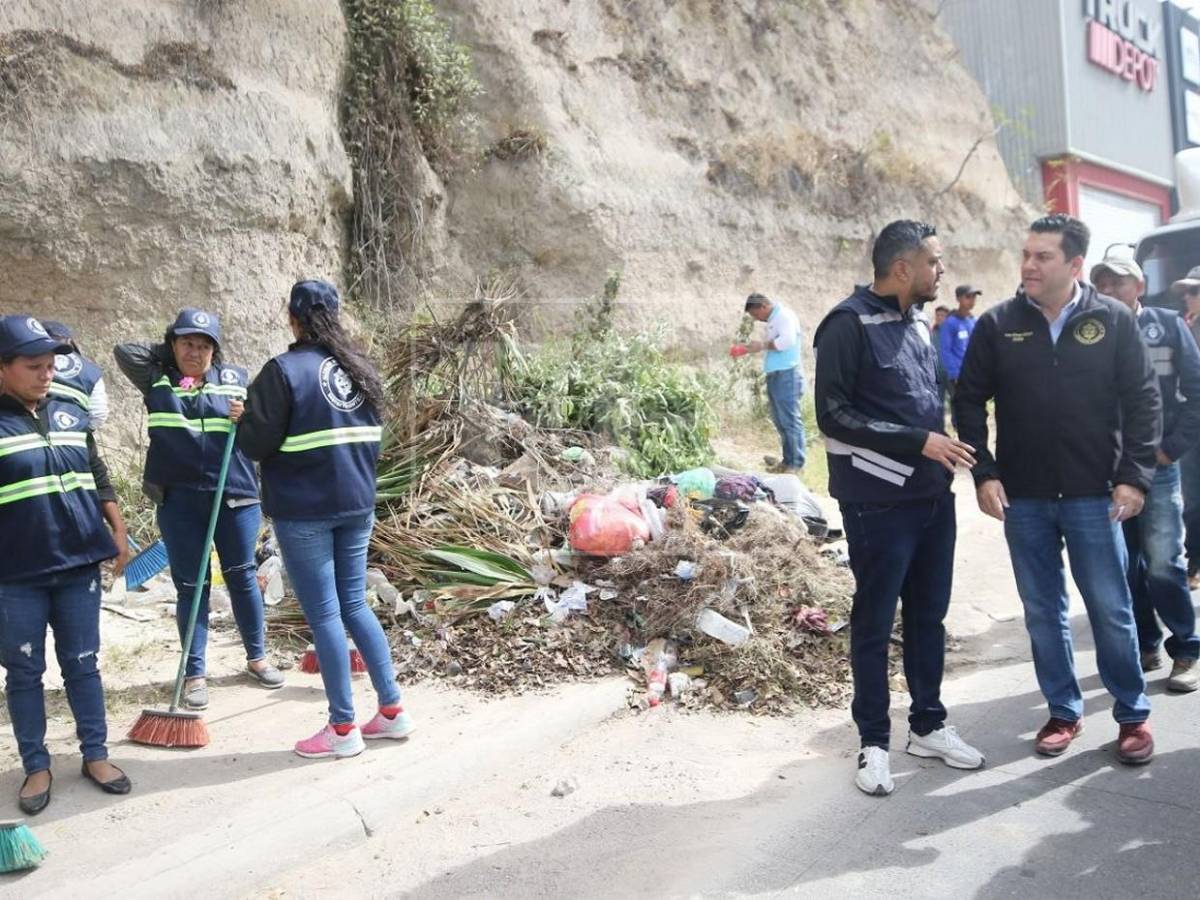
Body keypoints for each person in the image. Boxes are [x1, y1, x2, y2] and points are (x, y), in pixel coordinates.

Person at [954, 215, 1160, 764]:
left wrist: (1134, 477)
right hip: (1024, 498)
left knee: (1111, 608)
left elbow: (1143, 401)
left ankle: (1132, 715)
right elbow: (968, 400)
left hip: (1097, 495)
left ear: (1074, 265)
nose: (1029, 265)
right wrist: (984, 472)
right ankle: (1064, 711)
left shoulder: (1112, 319)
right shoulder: (998, 324)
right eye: (1026, 254)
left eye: (1042, 257)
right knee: (1043, 611)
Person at [814, 220, 984, 797]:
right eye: (934, 261)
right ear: (903, 267)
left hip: (932, 497)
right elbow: (834, 415)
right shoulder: (846, 324)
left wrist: (943, 448)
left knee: (928, 617)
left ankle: (928, 726)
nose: (942, 270)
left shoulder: (917, 323)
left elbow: (924, 401)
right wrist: (918, 442)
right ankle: (873, 741)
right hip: (877, 503)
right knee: (875, 620)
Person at [238, 280, 415, 759]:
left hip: (305, 510)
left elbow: (255, 443)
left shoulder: (283, 371)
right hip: (356, 503)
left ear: (292, 318)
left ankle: (342, 728)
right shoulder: (360, 369)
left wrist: (243, 419)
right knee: (354, 604)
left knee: (325, 615)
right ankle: (392, 710)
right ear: (334, 316)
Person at [114, 309, 284, 711]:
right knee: (192, 585)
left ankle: (257, 658)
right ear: (173, 344)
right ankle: (194, 673)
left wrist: (247, 418)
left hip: (235, 494)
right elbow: (125, 351)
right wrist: (168, 354)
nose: (196, 352)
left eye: (205, 345)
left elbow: (264, 429)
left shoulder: (236, 380)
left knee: (242, 574)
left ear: (215, 350)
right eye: (187, 343)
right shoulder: (158, 380)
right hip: (180, 498)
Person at [0, 315, 132, 815]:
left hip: (79, 565)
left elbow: (96, 472)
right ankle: (36, 765)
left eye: (51, 365)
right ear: (3, 367)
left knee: (83, 664)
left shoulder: (69, 412)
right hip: (16, 576)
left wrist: (117, 529)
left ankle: (95, 755)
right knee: (24, 671)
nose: (46, 374)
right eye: (33, 366)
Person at [1091, 253, 1200, 693]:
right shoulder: (1087, 333)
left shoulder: (1167, 325)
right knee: (1126, 564)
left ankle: (1187, 649)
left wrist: (1171, 449)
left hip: (1158, 468)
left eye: (1118, 282)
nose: (1109, 290)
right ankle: (1146, 644)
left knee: (1164, 561)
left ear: (1138, 286)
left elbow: (1196, 391)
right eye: (1101, 284)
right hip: (1109, 471)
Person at [742, 293, 806, 473]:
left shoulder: (784, 316)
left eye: (756, 314)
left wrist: (761, 345)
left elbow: (787, 341)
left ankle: (796, 464)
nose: (757, 319)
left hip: (787, 374)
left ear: (763, 306)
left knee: (790, 420)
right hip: (777, 374)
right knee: (780, 420)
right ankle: (788, 460)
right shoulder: (774, 319)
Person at [1173, 266, 1200, 589]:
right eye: (1185, 292)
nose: (1187, 297)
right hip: (1192, 428)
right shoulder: (1185, 327)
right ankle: (1195, 562)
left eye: (1194, 291)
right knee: (1193, 501)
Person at [41, 321, 109, 429]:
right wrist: (81, 431)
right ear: (69, 341)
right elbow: (99, 414)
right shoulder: (92, 371)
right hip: (74, 435)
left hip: (33, 430)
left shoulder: (29, 362)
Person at [939, 285, 980, 428]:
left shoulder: (974, 321)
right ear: (958, 299)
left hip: (973, 373)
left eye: (974, 297)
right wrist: (954, 374)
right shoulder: (950, 323)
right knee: (960, 405)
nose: (972, 300)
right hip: (958, 375)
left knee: (973, 406)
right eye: (968, 297)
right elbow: (945, 351)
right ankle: (959, 432)